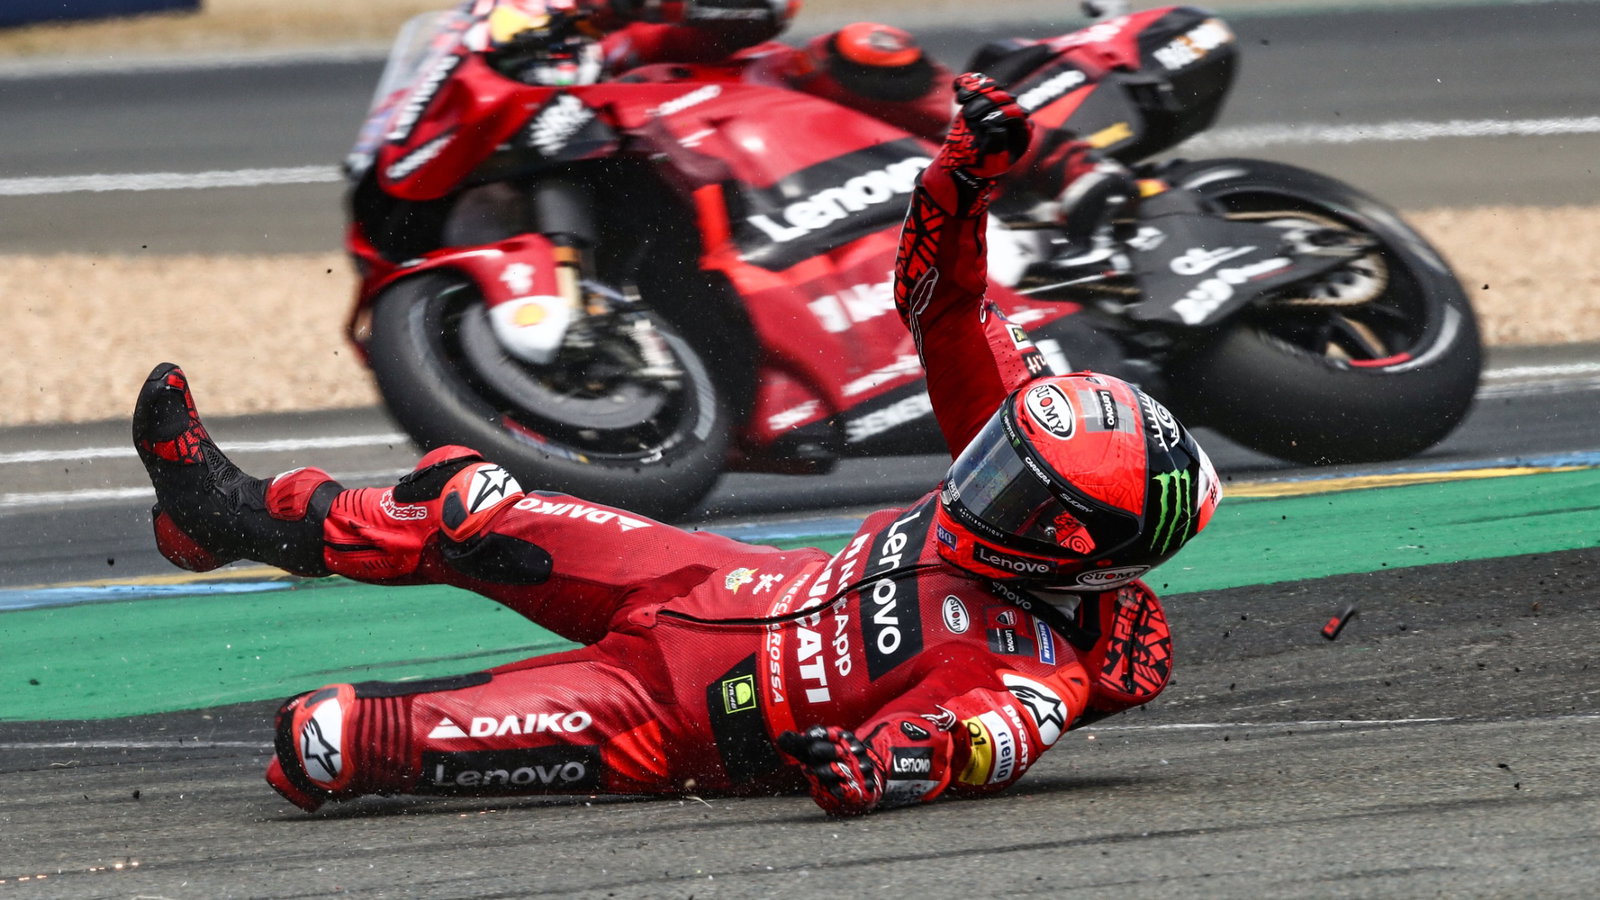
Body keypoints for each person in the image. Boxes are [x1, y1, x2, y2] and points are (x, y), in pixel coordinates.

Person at [133, 75, 1220, 817]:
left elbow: (980, 735)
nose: (980, 480)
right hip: (713, 578)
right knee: (471, 499)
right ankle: (218, 515)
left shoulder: (1044, 664)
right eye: (998, 462)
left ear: (1083, 552)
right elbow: (943, 306)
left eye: (1015, 495)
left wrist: (889, 767)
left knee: (324, 741)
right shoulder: (1028, 467)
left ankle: (382, 729)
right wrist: (962, 178)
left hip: (679, 719)